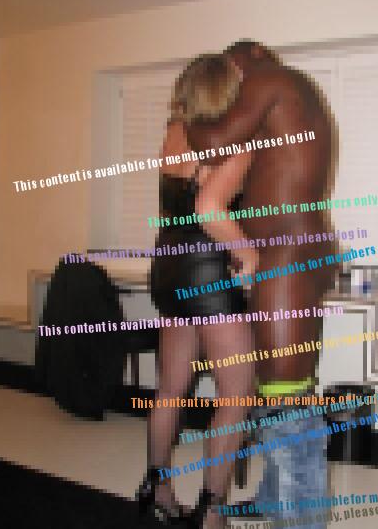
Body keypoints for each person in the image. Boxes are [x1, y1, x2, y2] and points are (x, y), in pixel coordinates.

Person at [187, 40, 338, 527]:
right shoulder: (292, 92)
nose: (235, 88)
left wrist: (187, 109)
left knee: (286, 405)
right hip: (295, 252)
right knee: (285, 391)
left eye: (232, 73)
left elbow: (213, 143)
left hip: (287, 256)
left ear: (248, 55)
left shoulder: (269, 79)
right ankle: (273, 497)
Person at [138, 54, 257, 529]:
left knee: (170, 389)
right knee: (236, 393)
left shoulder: (174, 132)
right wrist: (248, 254)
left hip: (168, 268)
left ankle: (157, 489)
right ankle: (212, 513)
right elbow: (208, 208)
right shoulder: (232, 143)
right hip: (207, 273)